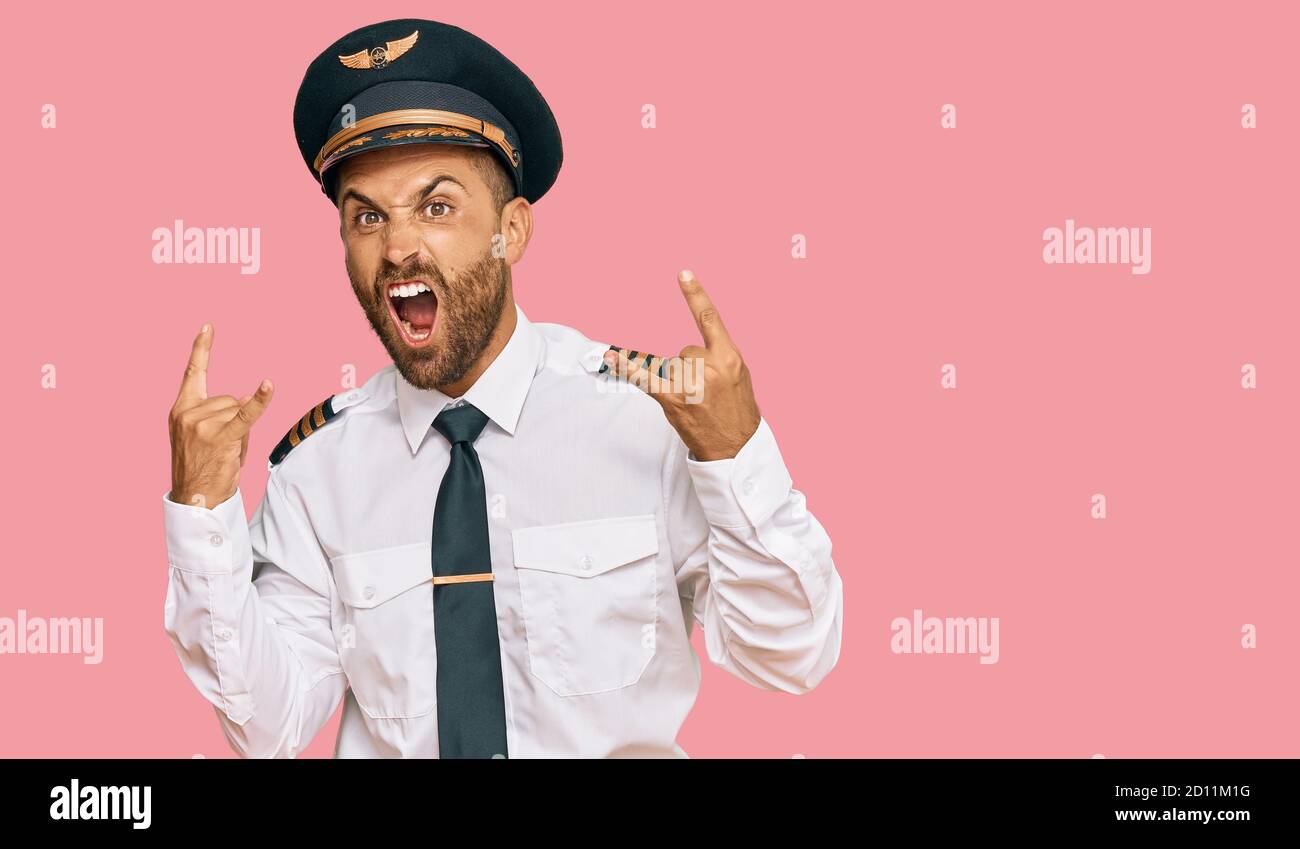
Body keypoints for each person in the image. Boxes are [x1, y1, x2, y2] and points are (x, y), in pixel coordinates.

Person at [162, 18, 843, 758]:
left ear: (512, 231)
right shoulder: (316, 471)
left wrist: (735, 455)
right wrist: (204, 516)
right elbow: (269, 726)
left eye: (437, 206)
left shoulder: (647, 421)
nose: (397, 247)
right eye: (366, 216)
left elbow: (791, 656)